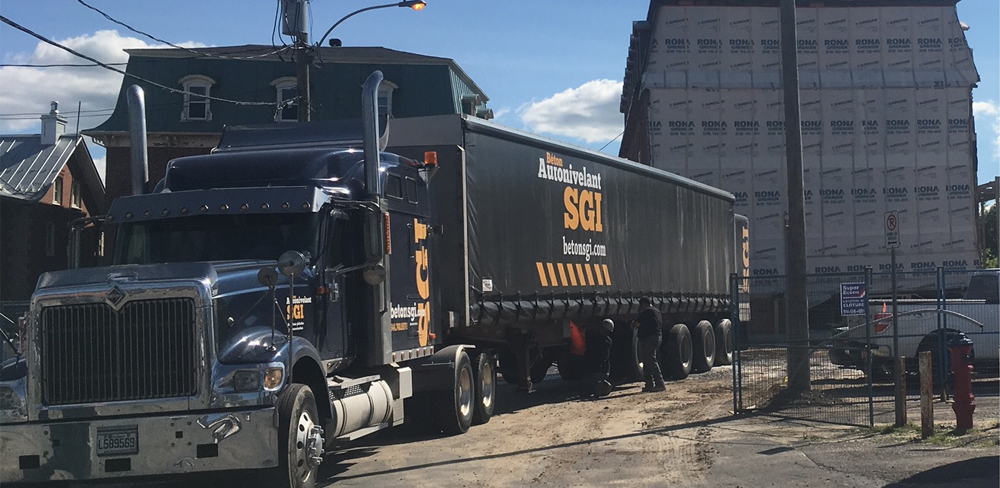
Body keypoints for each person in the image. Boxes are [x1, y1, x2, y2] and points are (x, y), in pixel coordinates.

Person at [632, 297, 665, 392]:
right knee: (647, 360)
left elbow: (637, 324)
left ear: (643, 304)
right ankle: (649, 384)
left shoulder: (647, 312)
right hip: (657, 337)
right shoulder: (656, 311)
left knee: (651, 360)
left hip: (649, 338)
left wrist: (632, 324)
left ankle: (660, 383)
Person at [580, 318, 614, 399]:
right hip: (603, 369)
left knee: (589, 382)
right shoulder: (607, 341)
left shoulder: (596, 338)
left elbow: (589, 338)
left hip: (598, 369)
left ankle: (594, 390)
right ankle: (596, 388)